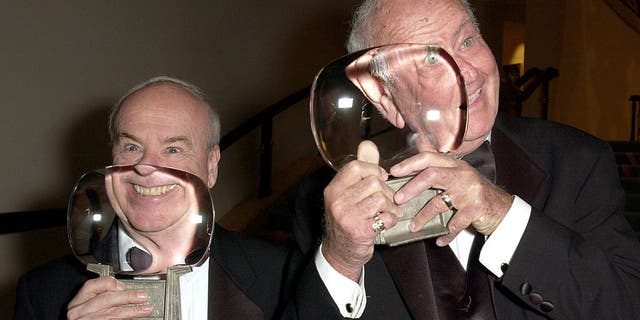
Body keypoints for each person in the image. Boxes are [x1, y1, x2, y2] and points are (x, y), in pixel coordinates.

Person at [290, 0, 640, 319]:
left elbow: (626, 304)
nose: (469, 73)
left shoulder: (577, 161)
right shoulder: (331, 204)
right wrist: (341, 261)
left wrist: (503, 215)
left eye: (467, 41)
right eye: (430, 59)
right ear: (383, 95)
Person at [14, 76, 294, 319]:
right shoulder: (42, 293)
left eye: (173, 149)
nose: (146, 166)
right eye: (132, 147)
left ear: (211, 166)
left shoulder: (284, 275)